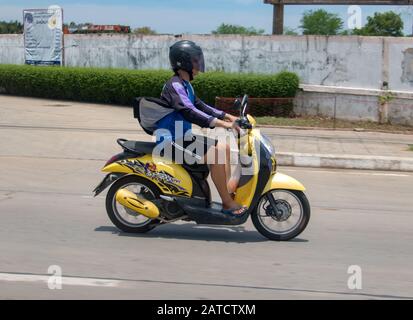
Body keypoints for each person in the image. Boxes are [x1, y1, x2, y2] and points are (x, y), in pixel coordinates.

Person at [156, 40, 247, 216]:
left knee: (224, 148)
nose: (198, 65)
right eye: (195, 61)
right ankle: (227, 203)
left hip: (183, 138)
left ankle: (227, 194)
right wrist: (224, 124)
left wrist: (229, 116)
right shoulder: (174, 85)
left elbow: (201, 106)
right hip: (169, 142)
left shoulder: (185, 85)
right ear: (185, 62)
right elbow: (190, 112)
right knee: (217, 154)